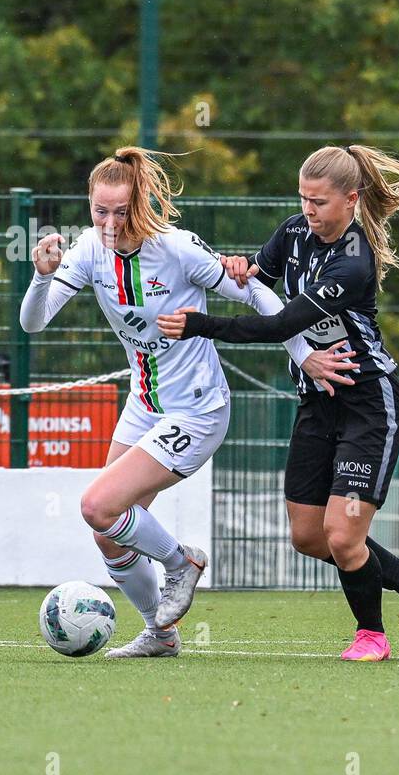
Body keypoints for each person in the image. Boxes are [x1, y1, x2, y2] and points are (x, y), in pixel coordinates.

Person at [21, 146, 354, 658]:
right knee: (109, 536)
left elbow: (256, 293)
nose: (110, 223)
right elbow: (33, 323)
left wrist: (304, 353)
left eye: (121, 211)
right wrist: (42, 275)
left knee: (97, 505)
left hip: (198, 410)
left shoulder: (177, 249)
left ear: (143, 203)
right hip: (144, 405)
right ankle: (161, 634)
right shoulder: (89, 249)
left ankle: (182, 562)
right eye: (99, 211)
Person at [158, 144, 399, 662]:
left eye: (319, 202)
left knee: (342, 537)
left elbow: (279, 324)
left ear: (352, 199)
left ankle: (372, 635)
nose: (309, 210)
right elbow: (256, 283)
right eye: (303, 199)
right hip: (316, 404)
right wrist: (238, 267)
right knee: (308, 537)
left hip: (369, 406)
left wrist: (200, 324)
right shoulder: (294, 232)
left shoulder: (353, 262)